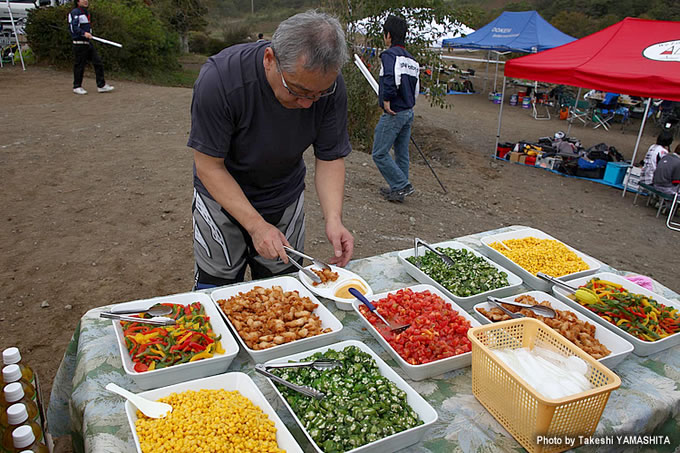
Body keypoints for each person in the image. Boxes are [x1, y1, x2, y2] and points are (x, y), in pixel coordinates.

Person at [187, 10, 353, 289]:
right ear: (269, 60)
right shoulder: (221, 80)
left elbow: (330, 157)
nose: (307, 104)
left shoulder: (329, 87)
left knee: (284, 290)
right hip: (221, 201)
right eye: (298, 91)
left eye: (318, 95)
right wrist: (256, 225)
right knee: (216, 291)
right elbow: (208, 166)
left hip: (283, 198)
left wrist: (333, 219)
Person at [371, 15, 420, 203]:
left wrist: (387, 100)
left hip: (394, 111)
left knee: (379, 152)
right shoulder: (412, 60)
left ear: (388, 35)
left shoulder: (389, 55)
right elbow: (416, 88)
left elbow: (390, 77)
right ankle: (399, 189)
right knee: (401, 153)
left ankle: (401, 185)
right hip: (408, 110)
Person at [68, 0, 114, 95]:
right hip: (79, 43)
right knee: (80, 65)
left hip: (87, 43)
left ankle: (101, 85)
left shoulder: (86, 12)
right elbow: (74, 27)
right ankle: (77, 86)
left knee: (98, 62)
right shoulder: (75, 12)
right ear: (77, 1)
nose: (86, 1)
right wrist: (83, 33)